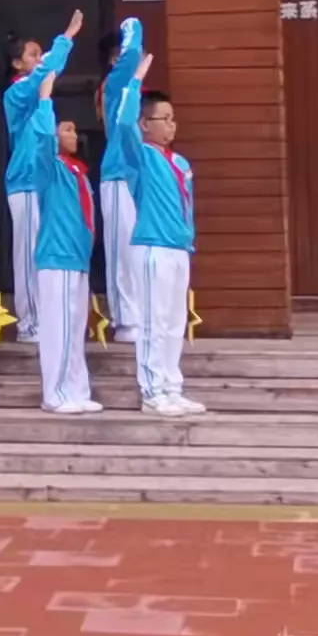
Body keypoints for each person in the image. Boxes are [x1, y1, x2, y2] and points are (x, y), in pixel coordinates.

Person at [114, 54, 204, 418]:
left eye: (172, 118)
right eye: (162, 119)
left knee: (174, 322)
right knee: (153, 321)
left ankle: (172, 386)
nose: (170, 125)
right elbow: (121, 123)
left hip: (178, 248)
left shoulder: (180, 163)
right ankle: (152, 391)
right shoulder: (140, 157)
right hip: (151, 247)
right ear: (145, 125)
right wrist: (134, 81)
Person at [1, 13, 83, 344]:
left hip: (42, 181)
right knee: (28, 255)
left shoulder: (36, 93)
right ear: (17, 63)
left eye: (39, 53)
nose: (38, 60)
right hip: (24, 181)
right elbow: (43, 76)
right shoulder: (18, 91)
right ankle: (29, 323)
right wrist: (66, 37)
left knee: (43, 251)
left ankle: (45, 318)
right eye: (32, 54)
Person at [28, 80, 103, 414]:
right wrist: (44, 102)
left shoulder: (79, 172)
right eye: (67, 129)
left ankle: (77, 389)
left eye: (74, 129)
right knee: (57, 329)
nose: (75, 134)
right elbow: (41, 141)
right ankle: (54, 393)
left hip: (77, 258)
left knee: (75, 329)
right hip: (56, 258)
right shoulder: (49, 168)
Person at [100, 17, 146, 352]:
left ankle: (138, 315)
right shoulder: (115, 85)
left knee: (137, 250)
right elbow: (131, 57)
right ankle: (125, 320)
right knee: (122, 251)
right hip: (116, 176)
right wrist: (133, 24)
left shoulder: (134, 91)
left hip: (134, 177)